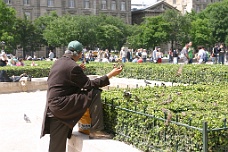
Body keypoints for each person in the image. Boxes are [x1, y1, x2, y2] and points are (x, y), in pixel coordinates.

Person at [40, 40, 123, 152]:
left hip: (53, 106)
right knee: (94, 93)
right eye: (81, 54)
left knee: (55, 147)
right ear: (78, 53)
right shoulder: (72, 67)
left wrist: (78, 69)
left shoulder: (58, 62)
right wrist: (110, 75)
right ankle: (97, 130)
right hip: (61, 106)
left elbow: (64, 80)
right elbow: (89, 85)